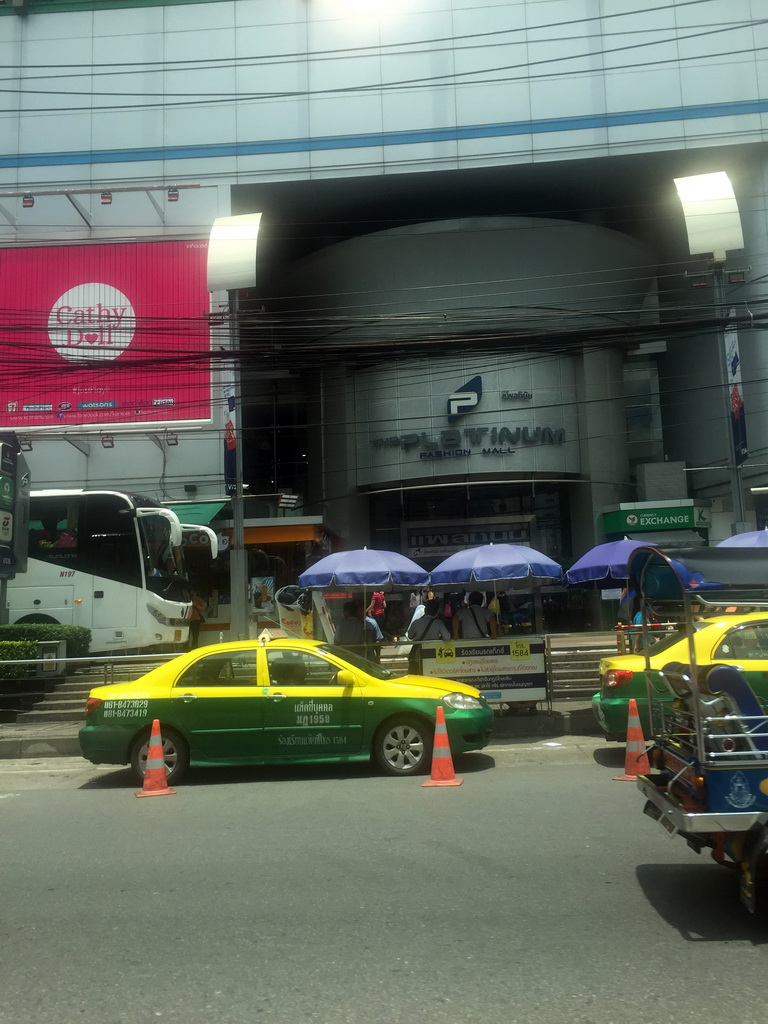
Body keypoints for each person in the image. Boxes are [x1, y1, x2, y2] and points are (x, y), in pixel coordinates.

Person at [406, 598, 450, 672]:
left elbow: (410, 636)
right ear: (436, 612)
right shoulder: (438, 623)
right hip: (432, 654)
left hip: (418, 655)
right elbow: (447, 637)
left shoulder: (416, 622)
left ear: (425, 610)